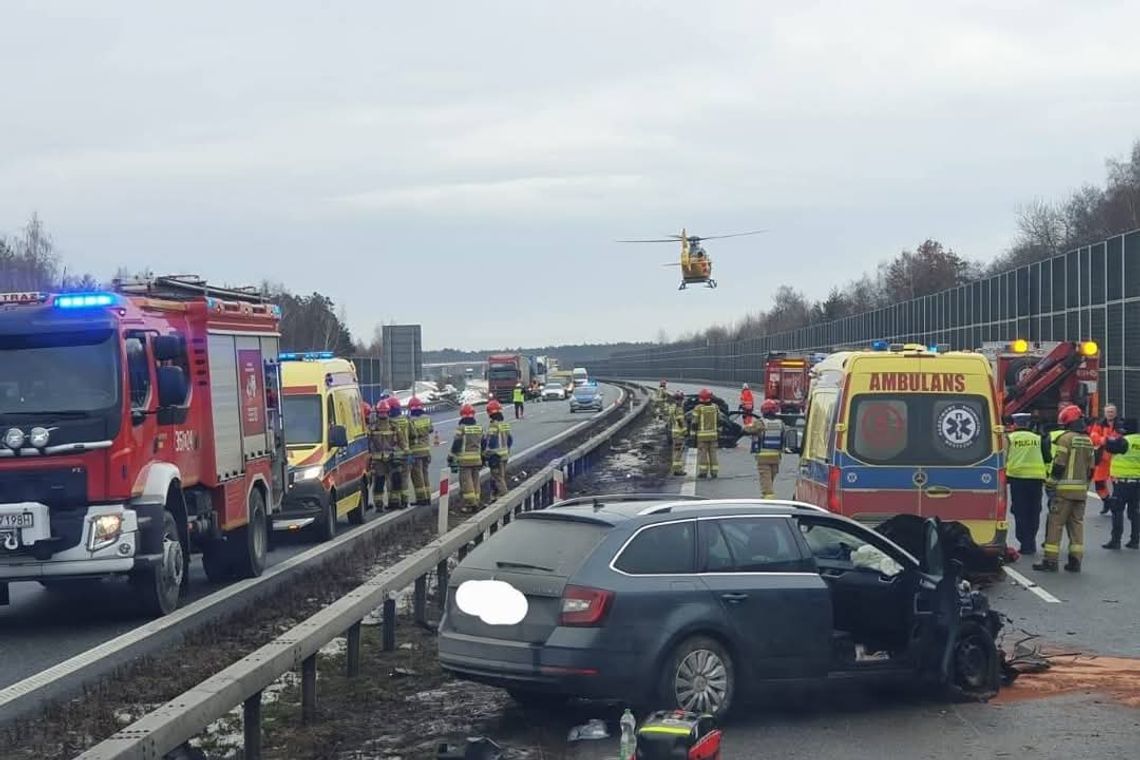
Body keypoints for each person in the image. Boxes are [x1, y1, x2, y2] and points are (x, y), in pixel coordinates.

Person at [1034, 404, 1096, 573]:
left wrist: (1051, 482)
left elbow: (1059, 464)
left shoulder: (1065, 439)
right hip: (1081, 492)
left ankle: (1050, 561)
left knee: (1055, 524)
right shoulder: (1088, 440)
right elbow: (1091, 469)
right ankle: (1075, 561)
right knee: (1077, 525)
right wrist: (1085, 486)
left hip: (1063, 491)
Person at [1005, 413, 1047, 555]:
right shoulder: (1038, 438)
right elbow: (1047, 457)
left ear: (1015, 424)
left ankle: (1025, 542)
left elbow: (1003, 457)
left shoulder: (1010, 438)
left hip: (1017, 479)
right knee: (1034, 511)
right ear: (1028, 424)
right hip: (1036, 479)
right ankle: (1031, 541)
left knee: (1020, 511)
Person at [1102, 419, 1140, 549]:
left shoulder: (1124, 441)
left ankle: (1116, 540)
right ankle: (1135, 540)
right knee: (1135, 512)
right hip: (1137, 483)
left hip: (1122, 483)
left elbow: (1108, 446)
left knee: (1117, 510)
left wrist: (1108, 437)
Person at [743, 399, 784, 498]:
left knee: (765, 477)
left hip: (763, 456)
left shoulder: (761, 423)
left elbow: (750, 429)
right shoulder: (781, 423)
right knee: (771, 476)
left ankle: (768, 496)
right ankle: (768, 493)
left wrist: (743, 429)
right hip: (776, 456)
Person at [449, 404, 485, 512]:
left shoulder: (461, 428)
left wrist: (451, 456)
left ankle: (471, 504)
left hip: (465, 460)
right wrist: (483, 457)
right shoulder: (479, 427)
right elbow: (484, 443)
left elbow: (456, 444)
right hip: (477, 458)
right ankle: (476, 500)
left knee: (466, 482)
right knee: (476, 480)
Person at [367, 401, 403, 510]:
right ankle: (384, 503)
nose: (383, 415)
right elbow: (401, 442)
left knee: (389, 480)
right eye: (382, 413)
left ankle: (389, 502)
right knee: (383, 481)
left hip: (388, 458)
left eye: (384, 412)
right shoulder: (376, 427)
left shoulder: (375, 426)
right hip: (382, 460)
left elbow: (401, 441)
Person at [1089, 404, 1122, 514]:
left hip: (1117, 459)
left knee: (1118, 485)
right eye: (1108, 412)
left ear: (1116, 413)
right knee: (1099, 483)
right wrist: (1106, 440)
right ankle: (1107, 501)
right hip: (1102, 458)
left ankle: (1116, 506)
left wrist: (1110, 440)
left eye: (1112, 411)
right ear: (1104, 413)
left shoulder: (1120, 424)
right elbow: (1093, 437)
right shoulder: (1099, 424)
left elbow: (1123, 439)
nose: (1110, 413)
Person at [483, 399, 513, 501]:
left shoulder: (493, 425)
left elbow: (491, 442)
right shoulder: (505, 424)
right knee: (500, 476)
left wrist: (486, 454)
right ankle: (495, 496)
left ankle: (505, 498)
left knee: (497, 477)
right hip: (504, 455)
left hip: (496, 456)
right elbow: (510, 439)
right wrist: (507, 450)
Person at [385, 397, 411, 508]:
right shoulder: (405, 420)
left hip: (393, 454)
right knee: (404, 477)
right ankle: (405, 500)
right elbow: (411, 434)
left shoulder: (389, 422)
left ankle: (394, 501)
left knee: (391, 477)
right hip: (405, 451)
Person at [407, 396, 433, 506]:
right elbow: (431, 429)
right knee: (425, 474)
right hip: (426, 450)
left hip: (415, 451)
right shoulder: (427, 418)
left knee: (417, 475)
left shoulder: (410, 420)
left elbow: (409, 435)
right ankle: (428, 496)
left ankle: (421, 498)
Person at [690, 388, 720, 478]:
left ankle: (703, 472)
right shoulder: (715, 407)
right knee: (713, 454)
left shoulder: (698, 408)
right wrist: (719, 432)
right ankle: (714, 472)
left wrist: (692, 435)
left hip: (702, 436)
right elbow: (719, 420)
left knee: (703, 454)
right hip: (713, 435)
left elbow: (694, 423)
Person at [668, 390, 687, 476]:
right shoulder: (679, 409)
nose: (681, 401)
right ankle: (678, 470)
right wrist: (685, 431)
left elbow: (670, 421)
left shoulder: (672, 407)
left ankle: (675, 468)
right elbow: (680, 421)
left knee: (675, 450)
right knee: (678, 452)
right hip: (679, 433)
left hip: (674, 431)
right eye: (681, 399)